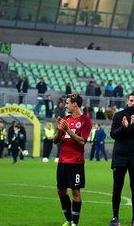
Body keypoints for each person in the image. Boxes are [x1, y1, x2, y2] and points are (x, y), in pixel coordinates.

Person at [109, 92, 134, 226]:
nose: (133, 103)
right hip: (120, 156)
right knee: (117, 187)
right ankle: (115, 218)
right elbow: (113, 134)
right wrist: (124, 127)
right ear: (127, 101)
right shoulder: (118, 115)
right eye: (131, 100)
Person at [53, 93, 92, 226]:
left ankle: (75, 222)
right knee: (61, 190)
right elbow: (55, 140)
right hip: (63, 160)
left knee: (75, 191)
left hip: (76, 162)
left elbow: (82, 141)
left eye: (68, 102)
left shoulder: (86, 120)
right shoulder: (66, 119)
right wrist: (59, 130)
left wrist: (68, 130)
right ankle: (68, 220)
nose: (66, 105)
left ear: (75, 104)